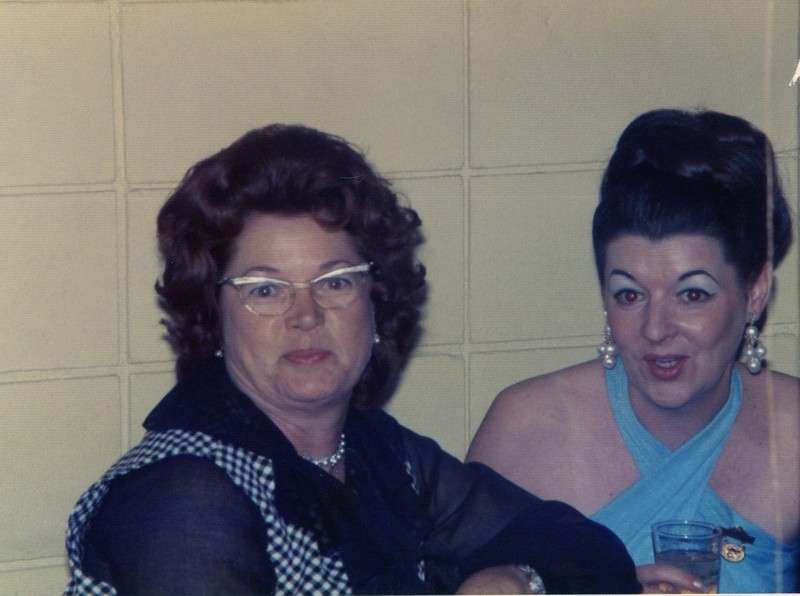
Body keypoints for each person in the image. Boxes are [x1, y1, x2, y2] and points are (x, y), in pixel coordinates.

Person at [64, 124, 640, 595]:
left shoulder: (375, 454)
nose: (305, 315)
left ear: (376, 299)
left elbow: (585, 549)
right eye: (265, 289)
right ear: (213, 315)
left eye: (335, 281)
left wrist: (514, 579)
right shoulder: (182, 495)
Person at [468, 109, 799, 593]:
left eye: (692, 294)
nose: (655, 329)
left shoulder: (794, 432)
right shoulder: (527, 427)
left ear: (754, 292)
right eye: (629, 294)